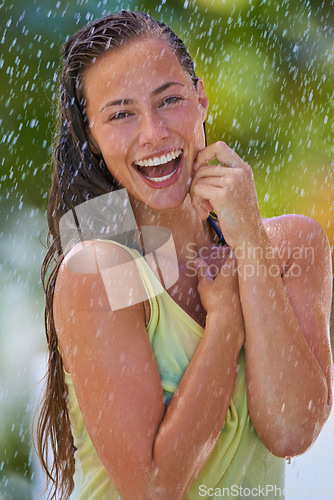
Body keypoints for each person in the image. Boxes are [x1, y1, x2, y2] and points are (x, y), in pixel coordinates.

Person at [36, 10, 333, 500]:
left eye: (169, 100)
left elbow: (291, 430)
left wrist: (251, 244)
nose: (153, 132)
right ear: (91, 136)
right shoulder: (104, 265)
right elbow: (154, 488)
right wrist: (226, 323)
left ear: (201, 100)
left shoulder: (289, 246)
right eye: (121, 113)